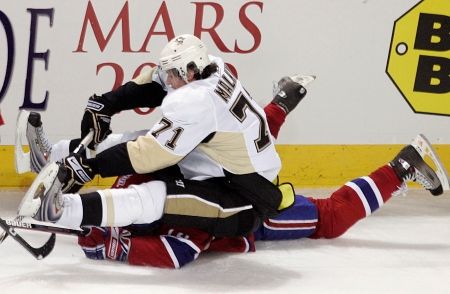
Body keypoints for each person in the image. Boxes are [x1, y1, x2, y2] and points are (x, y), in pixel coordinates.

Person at [23, 84, 447, 268]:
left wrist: (116, 246)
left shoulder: (155, 200)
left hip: (250, 211)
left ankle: (405, 164)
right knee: (241, 146)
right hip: (223, 182)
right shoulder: (141, 181)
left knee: (328, 218)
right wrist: (111, 237)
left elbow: (182, 249)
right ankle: (283, 100)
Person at [23, 34, 313, 238]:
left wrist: (92, 167)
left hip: (244, 200)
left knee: (154, 198)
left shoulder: (198, 101)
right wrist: (108, 102)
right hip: (219, 167)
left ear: (190, 71)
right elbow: (156, 81)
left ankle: (61, 212)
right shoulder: (212, 66)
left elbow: (148, 155)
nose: (168, 79)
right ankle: (49, 159)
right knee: (135, 137)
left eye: (173, 73)